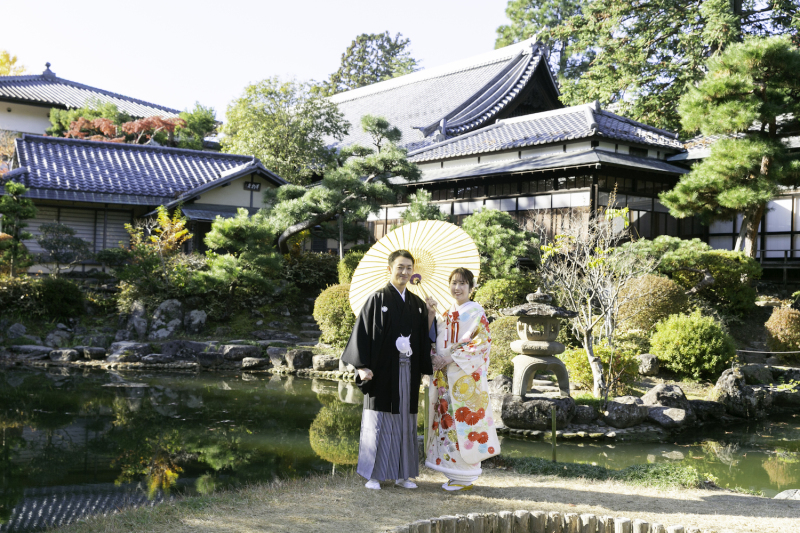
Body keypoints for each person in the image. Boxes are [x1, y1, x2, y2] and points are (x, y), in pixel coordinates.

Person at [341, 249, 435, 490]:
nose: (404, 272)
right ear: (390, 269)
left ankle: (403, 475)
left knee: (406, 420)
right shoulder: (377, 299)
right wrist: (362, 366)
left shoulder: (417, 304)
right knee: (379, 420)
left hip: (408, 370)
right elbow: (362, 333)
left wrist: (430, 315)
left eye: (408, 268)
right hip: (382, 371)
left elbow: (424, 338)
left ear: (413, 272)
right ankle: (374, 475)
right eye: (400, 267)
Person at [424, 267, 500, 491]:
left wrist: (448, 358)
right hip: (445, 378)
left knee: (465, 424)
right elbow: (435, 340)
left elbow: (481, 343)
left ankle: (464, 476)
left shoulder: (476, 311)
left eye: (462, 283)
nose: (457, 288)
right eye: (454, 283)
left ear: (471, 287)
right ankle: (453, 473)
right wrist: (431, 315)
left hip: (465, 379)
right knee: (448, 424)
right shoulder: (447, 312)